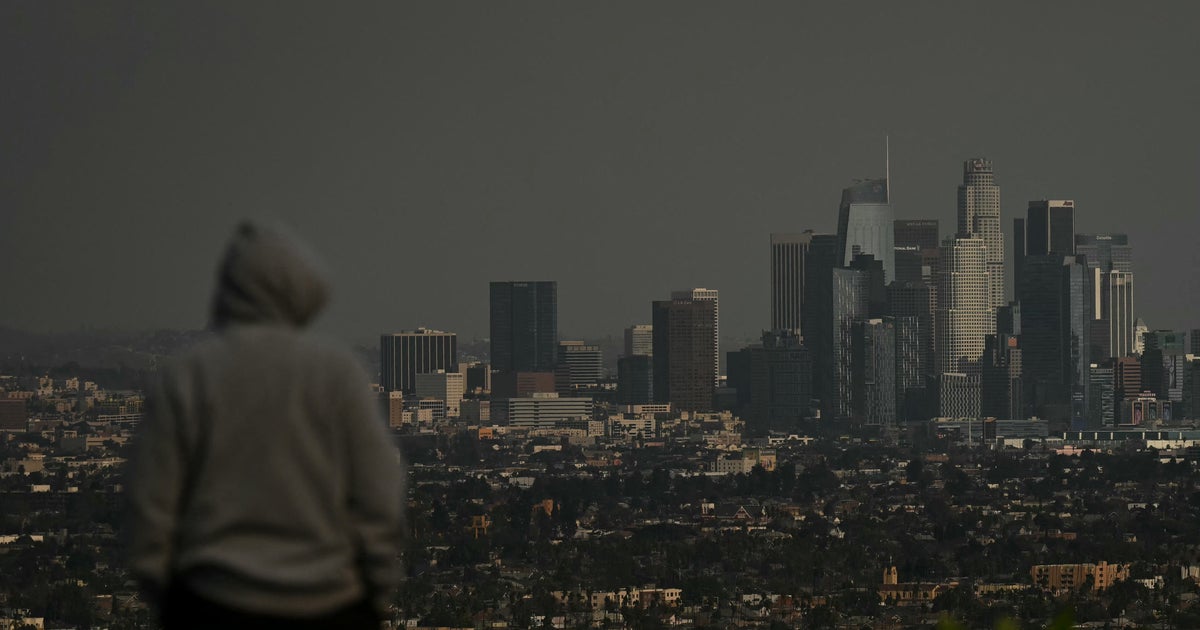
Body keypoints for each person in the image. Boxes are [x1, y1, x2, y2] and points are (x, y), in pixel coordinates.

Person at [125, 221, 405, 629]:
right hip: (328, 602)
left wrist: (168, 597)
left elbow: (149, 503)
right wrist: (373, 590)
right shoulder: (335, 372)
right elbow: (380, 493)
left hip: (212, 601)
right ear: (302, 291)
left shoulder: (188, 375)